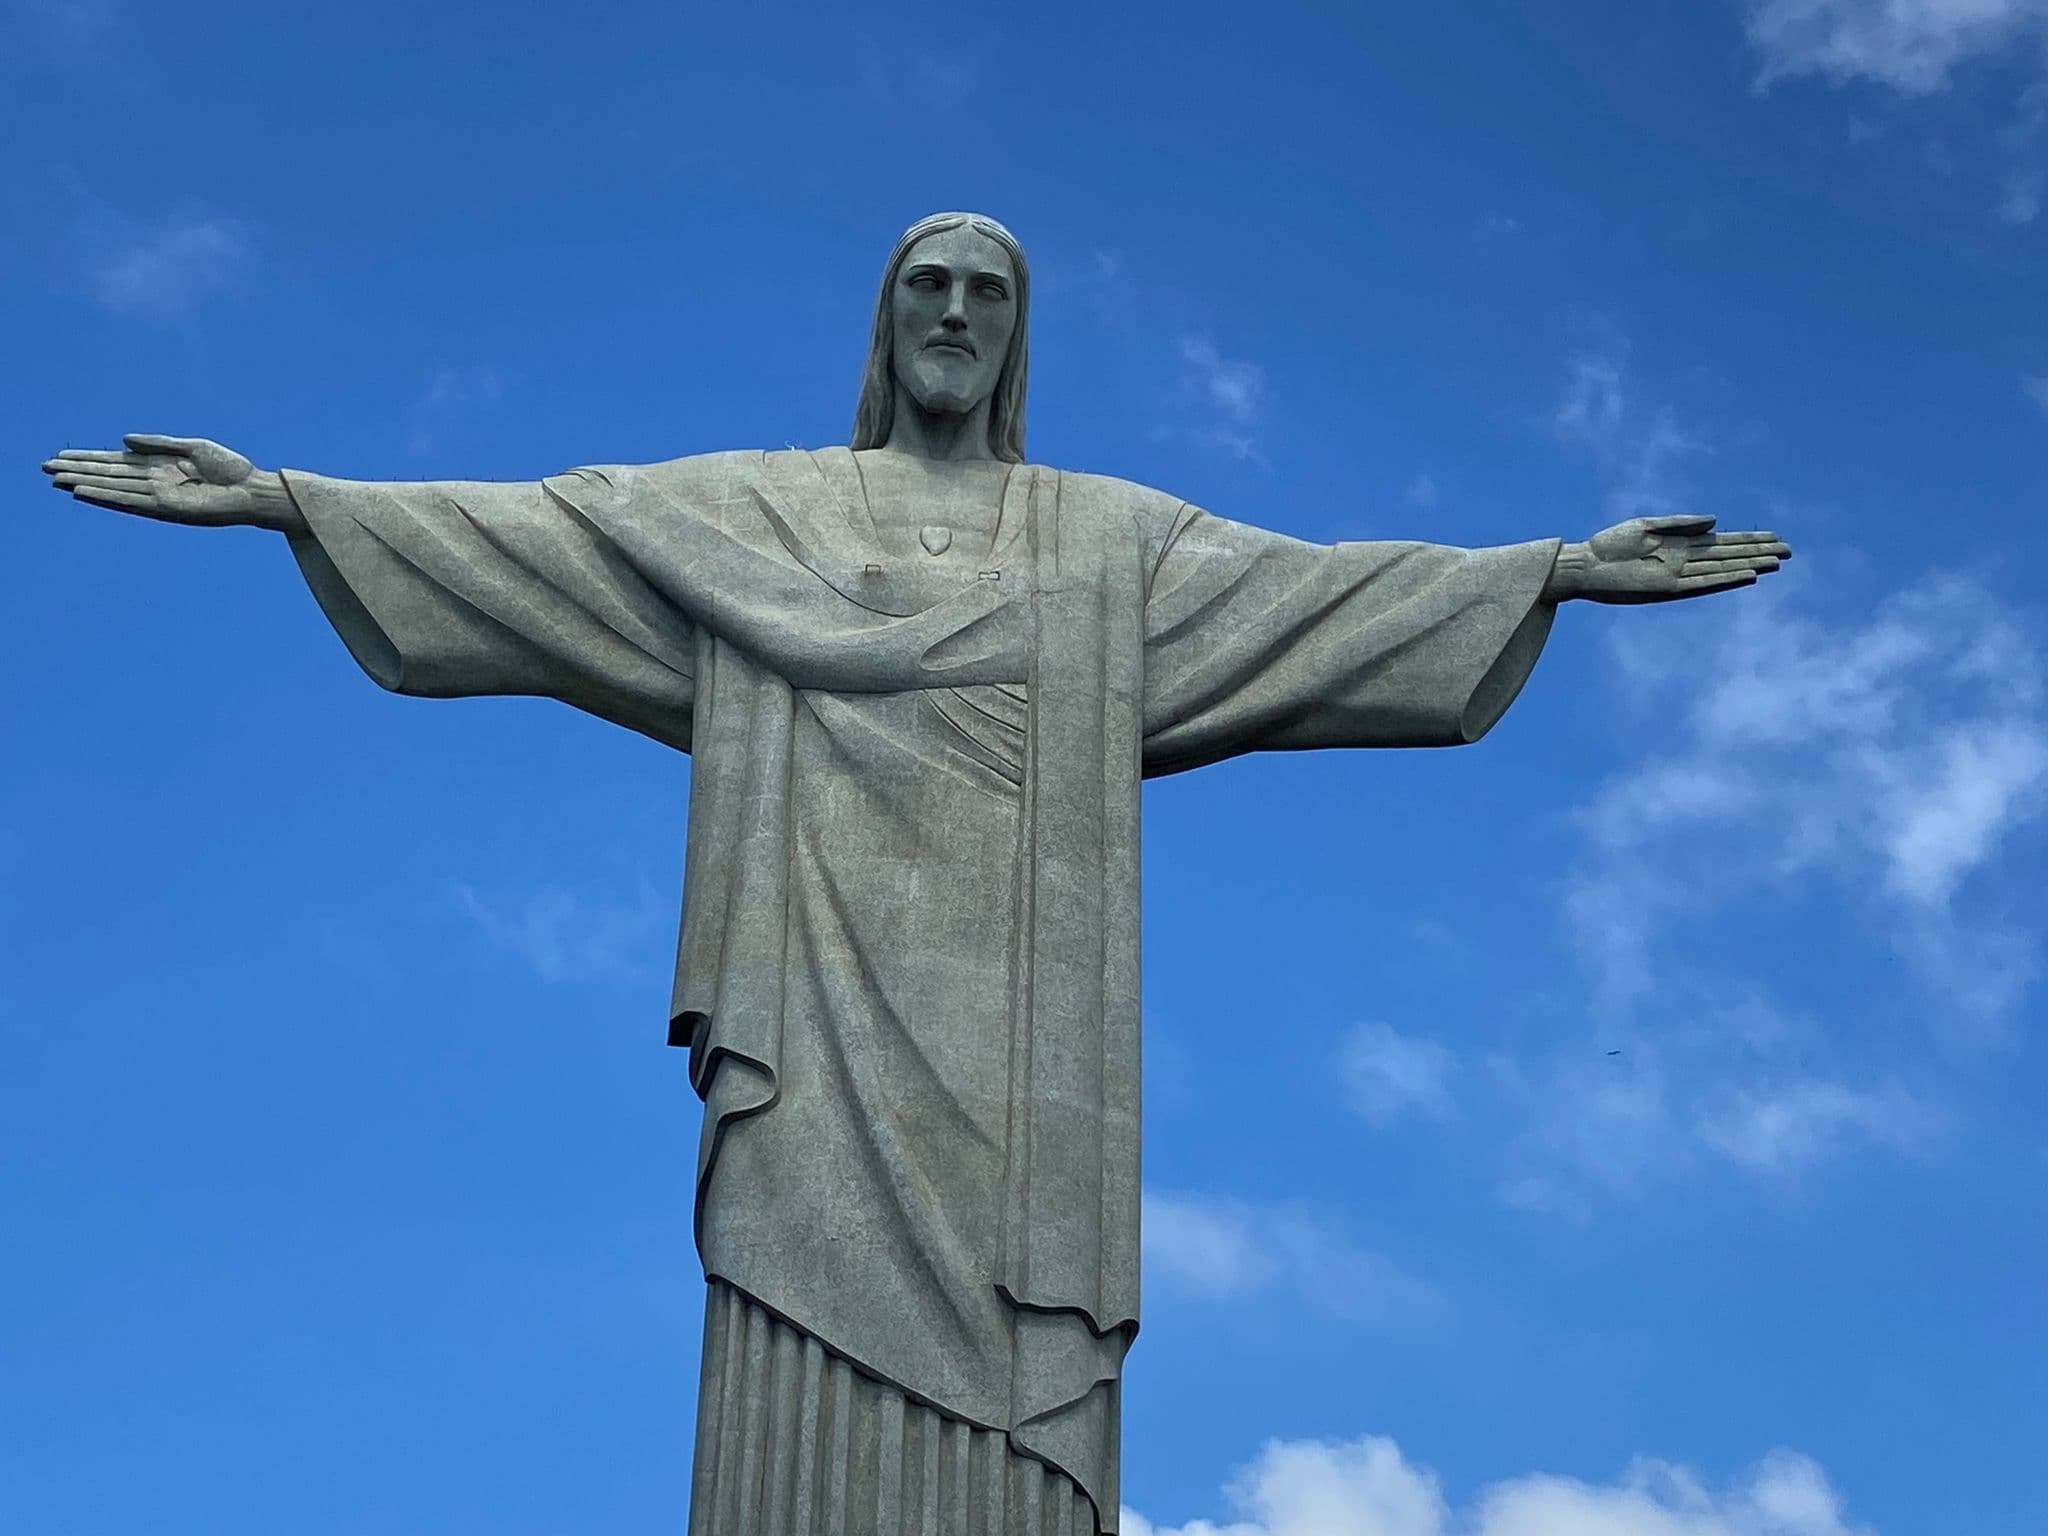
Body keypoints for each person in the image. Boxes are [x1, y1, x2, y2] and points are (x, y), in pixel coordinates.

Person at [44, 211, 1788, 1536]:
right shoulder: (766, 509)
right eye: (925, 287)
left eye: (989, 292)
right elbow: (544, 534)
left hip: (1025, 1068)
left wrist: (1550, 569)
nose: (954, 313)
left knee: (1017, 1378)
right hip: (815, 1024)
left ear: (1020, 336)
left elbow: (1317, 596)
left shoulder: (1110, 542)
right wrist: (287, 500)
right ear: (884, 321)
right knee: (790, 1330)